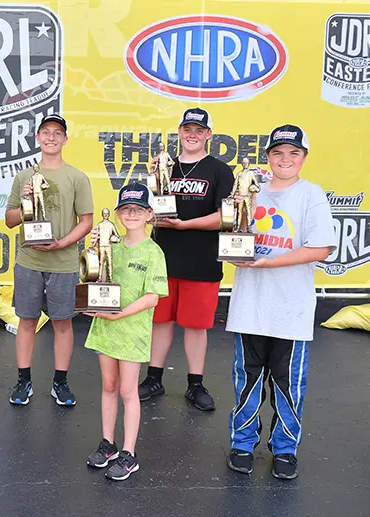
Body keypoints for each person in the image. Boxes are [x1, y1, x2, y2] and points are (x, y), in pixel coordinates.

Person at [224, 125, 335, 480]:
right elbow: (233, 231)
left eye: (293, 153)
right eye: (278, 152)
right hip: (250, 307)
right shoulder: (250, 190)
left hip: (291, 310)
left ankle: (285, 448)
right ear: (268, 156)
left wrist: (269, 262)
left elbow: (321, 248)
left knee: (288, 386)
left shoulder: (311, 194)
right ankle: (243, 443)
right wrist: (235, 249)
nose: (285, 159)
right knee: (247, 381)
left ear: (304, 157)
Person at [141, 108, 235, 411]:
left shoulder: (220, 171)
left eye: (199, 130)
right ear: (180, 132)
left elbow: (225, 217)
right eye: (187, 129)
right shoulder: (163, 167)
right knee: (160, 321)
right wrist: (150, 213)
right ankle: (153, 378)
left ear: (208, 134)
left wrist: (185, 224)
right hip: (163, 257)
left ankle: (195, 384)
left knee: (196, 326)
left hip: (202, 261)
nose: (192, 135)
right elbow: (147, 210)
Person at [4, 114, 94, 406]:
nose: (51, 137)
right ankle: (24, 381)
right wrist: (26, 202)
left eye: (57, 133)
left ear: (65, 139)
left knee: (63, 324)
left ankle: (60, 383)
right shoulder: (24, 177)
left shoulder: (77, 178)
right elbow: (9, 220)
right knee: (27, 321)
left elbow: (87, 221)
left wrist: (61, 244)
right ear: (38, 138)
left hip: (64, 263)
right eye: (46, 132)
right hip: (29, 260)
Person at [84, 182, 169, 481]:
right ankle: (108, 443)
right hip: (105, 330)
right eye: (126, 209)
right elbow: (93, 276)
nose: (132, 214)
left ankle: (129, 453)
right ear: (118, 214)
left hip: (132, 331)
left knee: (127, 391)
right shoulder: (112, 246)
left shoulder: (153, 252)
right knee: (108, 386)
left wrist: (120, 313)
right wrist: (93, 249)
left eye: (138, 209)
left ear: (149, 214)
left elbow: (153, 297)